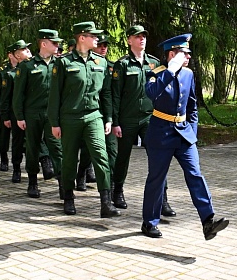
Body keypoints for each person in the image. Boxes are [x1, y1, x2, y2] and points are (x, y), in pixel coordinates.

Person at [140, 34, 228, 240]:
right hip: (161, 134)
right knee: (157, 179)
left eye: (188, 53)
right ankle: (149, 222)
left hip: (184, 135)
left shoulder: (188, 74)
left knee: (195, 174)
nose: (188, 57)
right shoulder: (156, 73)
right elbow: (152, 93)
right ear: (172, 54)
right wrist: (170, 70)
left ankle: (208, 221)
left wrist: (193, 131)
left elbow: (192, 105)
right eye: (183, 53)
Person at [50, 21, 118, 218]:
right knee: (69, 158)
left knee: (101, 157)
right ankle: (69, 197)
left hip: (94, 116)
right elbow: (55, 95)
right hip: (70, 117)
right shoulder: (63, 63)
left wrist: (108, 118)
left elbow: (106, 93)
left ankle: (106, 202)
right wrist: (54, 122)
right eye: (93, 35)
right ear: (82, 38)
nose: (97, 39)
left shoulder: (101, 62)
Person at [110, 25, 175, 215]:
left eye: (144, 36)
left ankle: (163, 199)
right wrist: (115, 122)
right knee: (122, 158)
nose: (142, 39)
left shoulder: (154, 63)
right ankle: (118, 191)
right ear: (129, 40)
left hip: (150, 118)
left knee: (158, 158)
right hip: (127, 119)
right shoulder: (121, 65)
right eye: (137, 37)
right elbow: (115, 95)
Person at [13, 29, 63, 199]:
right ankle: (33, 182)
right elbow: (18, 94)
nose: (58, 46)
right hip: (33, 113)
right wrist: (19, 116)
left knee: (57, 148)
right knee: (33, 148)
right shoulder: (27, 66)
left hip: (53, 114)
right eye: (54, 43)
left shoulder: (60, 64)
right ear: (43, 44)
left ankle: (64, 184)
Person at [76, 32, 116, 192]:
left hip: (109, 114)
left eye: (106, 45)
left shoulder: (112, 66)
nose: (103, 48)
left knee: (112, 151)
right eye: (101, 45)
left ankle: (111, 187)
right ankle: (81, 174)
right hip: (92, 113)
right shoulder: (85, 64)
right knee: (87, 150)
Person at [0, 40, 31, 183]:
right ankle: (16, 168)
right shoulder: (11, 74)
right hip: (16, 114)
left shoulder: (33, 69)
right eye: (25, 50)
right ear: (17, 55)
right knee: (17, 142)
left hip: (31, 112)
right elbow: (5, 98)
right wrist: (5, 116)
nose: (29, 51)